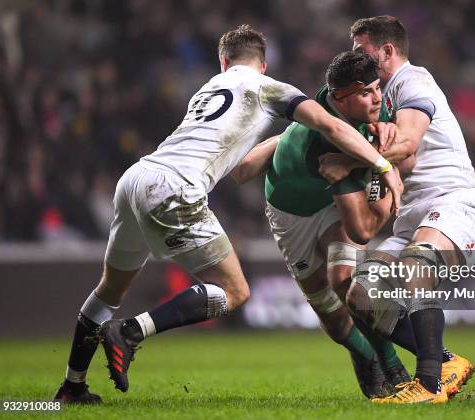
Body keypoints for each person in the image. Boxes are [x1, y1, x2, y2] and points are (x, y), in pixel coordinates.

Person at [53, 24, 402, 404]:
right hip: (174, 188)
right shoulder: (267, 88)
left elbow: (238, 168)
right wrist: (383, 167)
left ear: (223, 62)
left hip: (136, 178)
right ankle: (132, 331)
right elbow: (331, 125)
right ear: (264, 66)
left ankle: (72, 385)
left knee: (109, 290)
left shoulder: (207, 90)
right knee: (235, 291)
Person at [236, 50, 474, 400]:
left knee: (346, 279)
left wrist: (387, 167)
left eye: (378, 88)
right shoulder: (327, 147)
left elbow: (406, 155)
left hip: (332, 201)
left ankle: (406, 365)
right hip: (290, 212)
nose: (378, 98)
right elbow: (366, 227)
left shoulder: (365, 104)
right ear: (339, 99)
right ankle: (366, 355)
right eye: (367, 93)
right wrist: (387, 176)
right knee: (331, 315)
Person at [318, 16, 475, 404]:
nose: (356, 58)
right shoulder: (380, 99)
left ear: (387, 51)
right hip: (413, 215)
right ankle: (445, 361)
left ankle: (429, 386)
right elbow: (403, 166)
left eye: (362, 51)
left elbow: (409, 145)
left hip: (453, 202)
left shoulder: (413, 82)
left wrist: (348, 164)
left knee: (416, 265)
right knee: (358, 294)